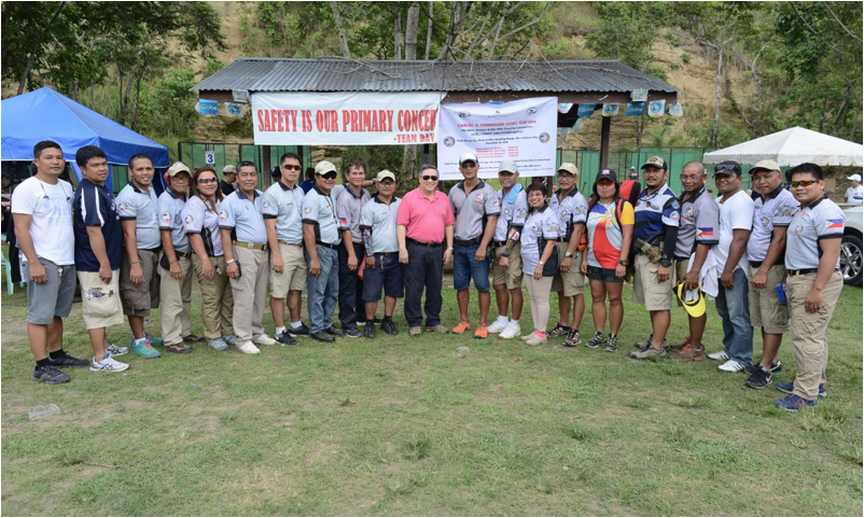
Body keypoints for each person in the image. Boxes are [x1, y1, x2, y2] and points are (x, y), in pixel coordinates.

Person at [12, 141, 89, 383]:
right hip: (43, 259)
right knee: (39, 315)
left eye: (59, 157)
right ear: (36, 161)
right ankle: (41, 366)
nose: (55, 161)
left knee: (57, 313)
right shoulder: (27, 189)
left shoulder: (66, 187)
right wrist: (34, 262)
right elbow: (20, 229)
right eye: (48, 157)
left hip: (66, 258)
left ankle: (56, 355)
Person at [774, 163, 844, 411]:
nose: (799, 188)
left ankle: (805, 394)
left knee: (807, 338)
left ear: (821, 184)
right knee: (814, 335)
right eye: (795, 184)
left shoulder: (826, 211)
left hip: (813, 280)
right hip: (800, 279)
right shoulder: (806, 209)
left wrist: (817, 289)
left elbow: (831, 253)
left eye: (806, 183)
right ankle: (816, 383)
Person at [72, 145, 129, 372]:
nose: (102, 169)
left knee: (105, 304)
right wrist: (103, 264)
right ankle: (100, 358)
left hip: (107, 260)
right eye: (95, 165)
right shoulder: (90, 192)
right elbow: (93, 231)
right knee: (97, 308)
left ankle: (105, 345)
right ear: (83, 170)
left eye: (104, 164)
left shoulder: (101, 188)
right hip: (94, 263)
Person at [743, 160, 798, 389]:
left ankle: (764, 369)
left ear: (778, 177)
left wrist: (764, 270)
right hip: (756, 266)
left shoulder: (785, 200)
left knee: (773, 319)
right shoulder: (760, 199)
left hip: (772, 269)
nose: (761, 181)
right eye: (757, 177)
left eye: (766, 176)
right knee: (762, 318)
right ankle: (772, 361)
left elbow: (780, 238)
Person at [220, 161, 279, 353]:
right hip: (243, 250)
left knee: (260, 295)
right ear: (236, 177)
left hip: (263, 251)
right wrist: (230, 261)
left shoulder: (263, 197)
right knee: (244, 296)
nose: (249, 178)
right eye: (244, 174)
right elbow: (225, 233)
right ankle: (243, 338)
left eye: (252, 174)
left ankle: (256, 332)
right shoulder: (230, 200)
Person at [706, 161, 755, 372]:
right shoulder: (718, 200)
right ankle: (730, 348)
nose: (722, 179)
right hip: (718, 266)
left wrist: (728, 269)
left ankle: (742, 357)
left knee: (738, 314)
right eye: (718, 176)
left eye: (728, 176)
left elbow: (740, 238)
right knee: (724, 312)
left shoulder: (742, 201)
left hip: (734, 269)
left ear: (739, 178)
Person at [629, 156, 680, 359]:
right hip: (642, 255)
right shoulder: (642, 196)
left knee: (659, 302)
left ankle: (657, 349)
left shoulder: (669, 199)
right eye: (648, 170)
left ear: (665, 174)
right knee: (652, 302)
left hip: (657, 257)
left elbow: (672, 232)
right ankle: (657, 340)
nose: (651, 174)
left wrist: (666, 262)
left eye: (656, 171)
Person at [669, 161, 719, 362]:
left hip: (692, 260)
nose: (688, 180)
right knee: (689, 302)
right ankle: (692, 341)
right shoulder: (686, 197)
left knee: (694, 302)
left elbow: (704, 241)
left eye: (693, 177)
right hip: (681, 257)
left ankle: (696, 348)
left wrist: (695, 271)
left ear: (704, 177)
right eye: (685, 177)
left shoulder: (705, 204)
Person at [115, 153, 164, 359]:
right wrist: (134, 262)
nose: (145, 173)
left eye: (149, 169)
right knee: (136, 295)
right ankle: (138, 341)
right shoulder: (128, 196)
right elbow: (128, 232)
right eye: (140, 169)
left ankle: (143, 334)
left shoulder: (150, 190)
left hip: (153, 250)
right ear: (130, 171)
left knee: (147, 295)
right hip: (138, 253)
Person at [397, 165, 455, 336]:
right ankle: (414, 322)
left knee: (435, 287)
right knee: (414, 288)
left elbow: (449, 224)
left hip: (437, 249)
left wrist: (449, 247)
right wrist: (402, 248)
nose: (430, 181)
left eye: (434, 178)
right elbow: (401, 224)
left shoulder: (443, 198)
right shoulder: (409, 198)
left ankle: (433, 321)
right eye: (426, 177)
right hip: (415, 248)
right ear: (419, 178)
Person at [580, 169, 634, 352]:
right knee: (597, 297)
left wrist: (622, 262)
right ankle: (599, 332)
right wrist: (585, 258)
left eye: (608, 183)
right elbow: (586, 235)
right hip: (594, 259)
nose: (604, 187)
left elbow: (627, 237)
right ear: (596, 186)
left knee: (615, 299)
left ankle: (613, 335)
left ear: (615, 185)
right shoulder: (591, 206)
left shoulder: (623, 206)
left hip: (614, 261)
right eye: (601, 183)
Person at [183, 166, 236, 351]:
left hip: (226, 257)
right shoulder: (195, 203)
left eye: (212, 179)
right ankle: (213, 335)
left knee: (228, 297)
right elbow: (193, 234)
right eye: (203, 180)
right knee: (212, 297)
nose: (209, 183)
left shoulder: (224, 199)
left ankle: (227, 330)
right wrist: (204, 259)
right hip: (208, 257)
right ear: (196, 184)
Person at [449, 152, 500, 338]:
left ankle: (483, 323)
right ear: (460, 168)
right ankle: (464, 321)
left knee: (482, 286)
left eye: (472, 165)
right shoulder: (454, 190)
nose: (469, 169)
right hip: (459, 246)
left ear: (478, 167)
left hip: (477, 246)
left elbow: (492, 220)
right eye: (465, 166)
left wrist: (483, 246)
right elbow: (450, 218)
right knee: (461, 285)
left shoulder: (487, 191)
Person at [263, 153, 309, 345]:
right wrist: (277, 255)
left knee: (296, 289)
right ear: (281, 169)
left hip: (299, 247)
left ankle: (296, 323)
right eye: (288, 167)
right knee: (279, 291)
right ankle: (280, 330)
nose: (292, 170)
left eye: (296, 168)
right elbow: (270, 226)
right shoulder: (272, 193)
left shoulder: (299, 191)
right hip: (282, 246)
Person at [158, 162, 203, 354]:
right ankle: (171, 338)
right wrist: (173, 262)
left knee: (184, 298)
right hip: (174, 256)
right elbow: (165, 233)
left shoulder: (185, 198)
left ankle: (184, 332)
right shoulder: (166, 200)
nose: (180, 181)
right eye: (176, 177)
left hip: (186, 256)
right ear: (169, 179)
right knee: (172, 300)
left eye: (184, 177)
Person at [302, 161, 346, 343]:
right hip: (320, 249)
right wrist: (313, 258)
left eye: (332, 175)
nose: (330, 179)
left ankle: (326, 322)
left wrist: (375, 181)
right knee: (318, 291)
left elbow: (352, 183)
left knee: (333, 290)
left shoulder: (332, 191)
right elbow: (308, 229)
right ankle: (316, 327)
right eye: (325, 175)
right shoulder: (312, 197)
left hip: (333, 248)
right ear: (316, 177)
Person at [548, 162, 589, 346]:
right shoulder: (555, 197)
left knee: (575, 290)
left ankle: (575, 330)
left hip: (569, 246)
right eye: (562, 174)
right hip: (554, 245)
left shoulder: (578, 199)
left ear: (575, 179)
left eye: (569, 175)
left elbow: (578, 230)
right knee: (561, 289)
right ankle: (564, 325)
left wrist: (568, 255)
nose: (564, 178)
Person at [359, 170, 403, 338]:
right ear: (376, 184)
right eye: (383, 182)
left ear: (394, 185)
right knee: (372, 292)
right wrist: (369, 254)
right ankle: (370, 322)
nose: (387, 185)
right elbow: (365, 231)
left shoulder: (401, 203)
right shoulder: (370, 205)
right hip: (376, 256)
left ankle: (388, 319)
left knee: (392, 291)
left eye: (390, 182)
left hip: (396, 255)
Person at [488, 160, 528, 340]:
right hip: (496, 245)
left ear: (517, 175)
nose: (505, 177)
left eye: (509, 174)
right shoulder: (498, 195)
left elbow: (517, 227)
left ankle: (515, 324)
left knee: (513, 286)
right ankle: (503, 319)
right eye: (502, 174)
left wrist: (506, 252)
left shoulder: (520, 196)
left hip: (509, 247)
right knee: (498, 284)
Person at [519, 182, 561, 346]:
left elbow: (551, 243)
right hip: (529, 262)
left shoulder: (549, 215)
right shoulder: (531, 213)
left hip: (541, 262)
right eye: (531, 195)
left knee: (541, 299)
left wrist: (541, 264)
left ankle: (542, 333)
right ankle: (536, 330)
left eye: (538, 194)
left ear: (545, 196)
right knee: (533, 297)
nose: (534, 198)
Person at [336, 160, 372, 337]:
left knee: (361, 283)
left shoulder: (365, 194)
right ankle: (348, 324)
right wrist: (351, 254)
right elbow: (345, 229)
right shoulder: (344, 198)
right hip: (350, 246)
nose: (358, 177)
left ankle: (360, 316)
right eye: (354, 174)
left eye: (360, 173)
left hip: (364, 244)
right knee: (348, 285)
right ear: (347, 176)